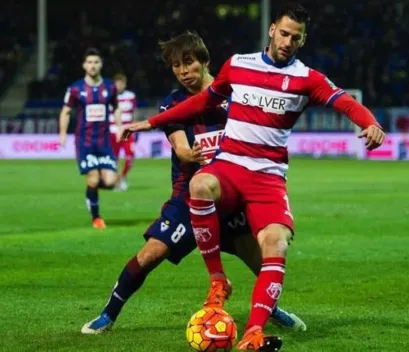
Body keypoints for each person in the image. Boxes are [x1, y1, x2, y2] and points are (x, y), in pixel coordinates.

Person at [122, 4, 385, 350]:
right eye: (285, 33)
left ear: (302, 40)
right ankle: (218, 280)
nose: (288, 41)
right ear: (272, 29)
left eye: (297, 37)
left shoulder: (308, 79)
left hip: (268, 179)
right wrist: (152, 122)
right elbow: (201, 103)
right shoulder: (238, 64)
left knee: (276, 244)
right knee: (200, 185)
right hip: (229, 166)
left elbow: (345, 102)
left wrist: (370, 122)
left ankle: (253, 333)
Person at [81, 31, 306, 335]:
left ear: (204, 60)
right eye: (176, 66)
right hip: (190, 200)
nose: (183, 71)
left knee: (264, 262)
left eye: (188, 63)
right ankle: (107, 315)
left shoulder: (236, 95)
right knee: (151, 253)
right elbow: (182, 149)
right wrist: (188, 152)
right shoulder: (173, 103)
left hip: (233, 198)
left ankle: (273, 311)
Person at [59, 47, 121, 229]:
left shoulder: (110, 87)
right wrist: (62, 133)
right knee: (93, 178)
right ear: (84, 65)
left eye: (96, 62)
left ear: (101, 64)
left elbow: (116, 107)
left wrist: (119, 127)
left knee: (110, 182)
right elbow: (65, 111)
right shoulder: (75, 89)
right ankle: (96, 217)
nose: (93, 66)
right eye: (89, 62)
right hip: (85, 142)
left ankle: (90, 191)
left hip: (104, 142)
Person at [109, 73, 138, 191]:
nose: (120, 85)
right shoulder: (109, 96)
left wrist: (135, 127)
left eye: (122, 83)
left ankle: (123, 177)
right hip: (112, 132)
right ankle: (116, 181)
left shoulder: (131, 96)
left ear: (125, 84)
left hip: (127, 132)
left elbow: (134, 113)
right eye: (117, 83)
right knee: (114, 159)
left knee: (130, 156)